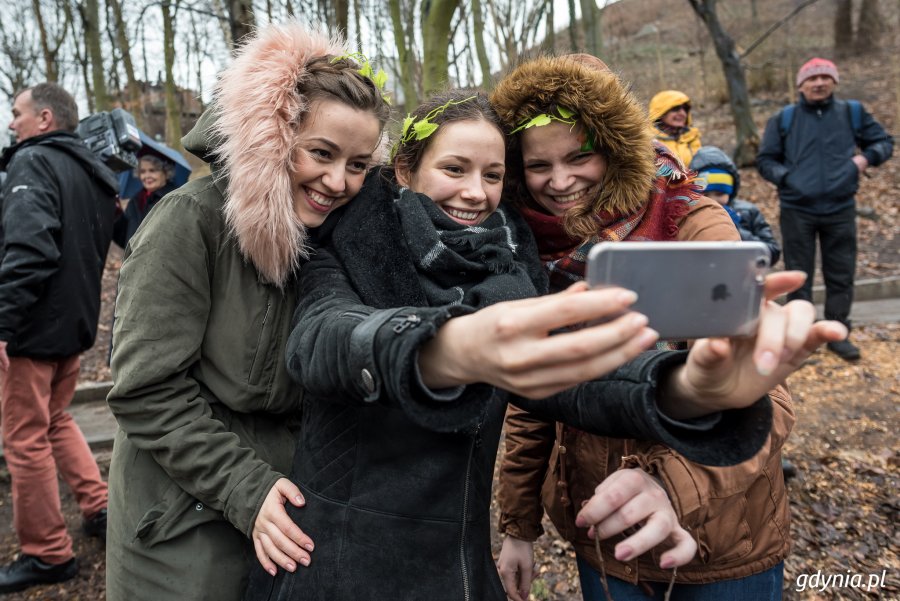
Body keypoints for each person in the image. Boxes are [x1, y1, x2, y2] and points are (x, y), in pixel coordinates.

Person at [243, 86, 845, 601]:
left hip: (459, 566)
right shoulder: (345, 241)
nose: (475, 193)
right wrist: (441, 350)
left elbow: (572, 369)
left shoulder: (510, 267)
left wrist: (684, 388)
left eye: (494, 175)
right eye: (454, 169)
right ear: (406, 170)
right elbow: (322, 339)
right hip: (335, 565)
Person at [491, 55, 799, 601]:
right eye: (539, 166)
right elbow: (534, 392)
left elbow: (763, 389)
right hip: (604, 537)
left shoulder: (690, 221)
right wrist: (518, 526)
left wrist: (669, 486)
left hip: (723, 542)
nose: (560, 182)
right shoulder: (531, 250)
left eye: (580, 156)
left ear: (614, 149)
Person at [104, 23, 392, 601]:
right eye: (321, 153)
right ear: (273, 137)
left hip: (287, 511)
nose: (337, 181)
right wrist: (246, 488)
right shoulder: (189, 223)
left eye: (359, 165)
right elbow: (145, 389)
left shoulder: (330, 239)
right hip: (180, 522)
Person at [0, 82, 116, 594]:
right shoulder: (93, 171)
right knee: (55, 419)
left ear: (44, 118)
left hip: (33, 329)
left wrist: (4, 324)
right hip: (73, 327)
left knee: (24, 438)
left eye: (16, 112)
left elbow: (30, 249)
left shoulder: (32, 163)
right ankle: (101, 506)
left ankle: (47, 552)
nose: (11, 123)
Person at [757, 57, 894, 361]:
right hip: (797, 209)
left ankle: (838, 332)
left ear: (834, 82)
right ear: (800, 85)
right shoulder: (784, 118)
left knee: (841, 273)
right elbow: (765, 160)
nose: (818, 83)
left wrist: (863, 159)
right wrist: (788, 179)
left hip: (840, 207)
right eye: (811, 78)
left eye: (824, 77)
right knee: (798, 274)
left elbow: (884, 142)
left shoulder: (852, 113)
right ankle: (801, 335)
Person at [691, 145, 781, 264]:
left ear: (730, 192)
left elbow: (772, 252)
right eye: (705, 195)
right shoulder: (689, 217)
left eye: (719, 193)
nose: (713, 201)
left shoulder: (748, 212)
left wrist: (736, 230)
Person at [112, 154, 178, 248]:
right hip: (134, 259)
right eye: (142, 171)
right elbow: (122, 236)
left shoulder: (174, 199)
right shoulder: (135, 201)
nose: (147, 176)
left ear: (166, 172)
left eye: (152, 170)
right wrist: (116, 210)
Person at [648, 89, 701, 167]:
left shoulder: (691, 137)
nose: (683, 113)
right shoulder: (647, 140)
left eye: (685, 109)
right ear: (661, 113)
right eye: (676, 108)